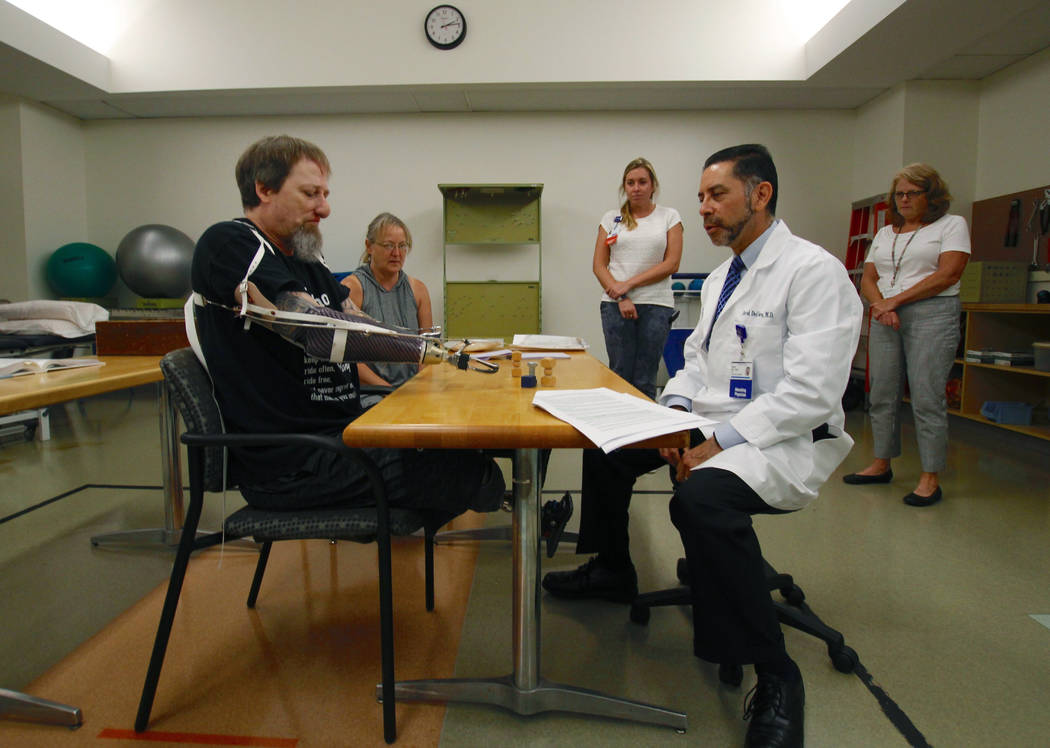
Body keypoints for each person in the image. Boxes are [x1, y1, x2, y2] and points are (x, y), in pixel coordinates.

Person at [543, 145, 862, 748]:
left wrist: (717, 441)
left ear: (760, 194)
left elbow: (813, 394)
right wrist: (676, 416)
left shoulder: (813, 272)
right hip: (712, 421)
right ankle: (613, 568)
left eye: (717, 195)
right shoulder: (720, 278)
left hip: (780, 439)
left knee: (699, 502)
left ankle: (777, 677)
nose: (704, 209)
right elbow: (691, 365)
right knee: (605, 444)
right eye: (701, 197)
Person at [190, 135, 503, 515]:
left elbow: (356, 320)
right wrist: (428, 350)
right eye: (310, 194)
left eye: (325, 194)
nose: (325, 209)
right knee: (467, 467)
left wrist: (446, 349)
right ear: (264, 189)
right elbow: (317, 330)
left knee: (473, 437)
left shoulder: (306, 256)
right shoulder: (230, 244)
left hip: (344, 434)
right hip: (295, 463)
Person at [842, 163, 970, 507]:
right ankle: (881, 463)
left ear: (932, 196)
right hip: (887, 315)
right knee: (882, 392)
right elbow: (868, 277)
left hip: (932, 313)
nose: (905, 199)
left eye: (913, 193)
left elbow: (948, 273)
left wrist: (894, 301)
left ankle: (930, 476)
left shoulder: (951, 225)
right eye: (899, 194)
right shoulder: (886, 234)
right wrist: (881, 304)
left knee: (927, 397)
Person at [592, 157, 683, 399]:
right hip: (615, 305)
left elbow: (671, 263)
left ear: (653, 185)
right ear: (624, 187)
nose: (636, 188)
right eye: (630, 183)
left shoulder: (669, 217)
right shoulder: (611, 219)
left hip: (656, 305)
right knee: (619, 374)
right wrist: (622, 295)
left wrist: (629, 284)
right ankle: (617, 433)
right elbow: (599, 266)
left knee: (645, 378)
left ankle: (645, 435)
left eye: (642, 182)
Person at [341, 213, 433, 405]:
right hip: (372, 392)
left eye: (402, 246)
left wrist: (419, 387)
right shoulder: (352, 289)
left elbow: (429, 349)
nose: (397, 253)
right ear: (369, 246)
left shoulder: (418, 290)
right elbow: (347, 358)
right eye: (389, 245)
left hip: (411, 389)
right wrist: (389, 392)